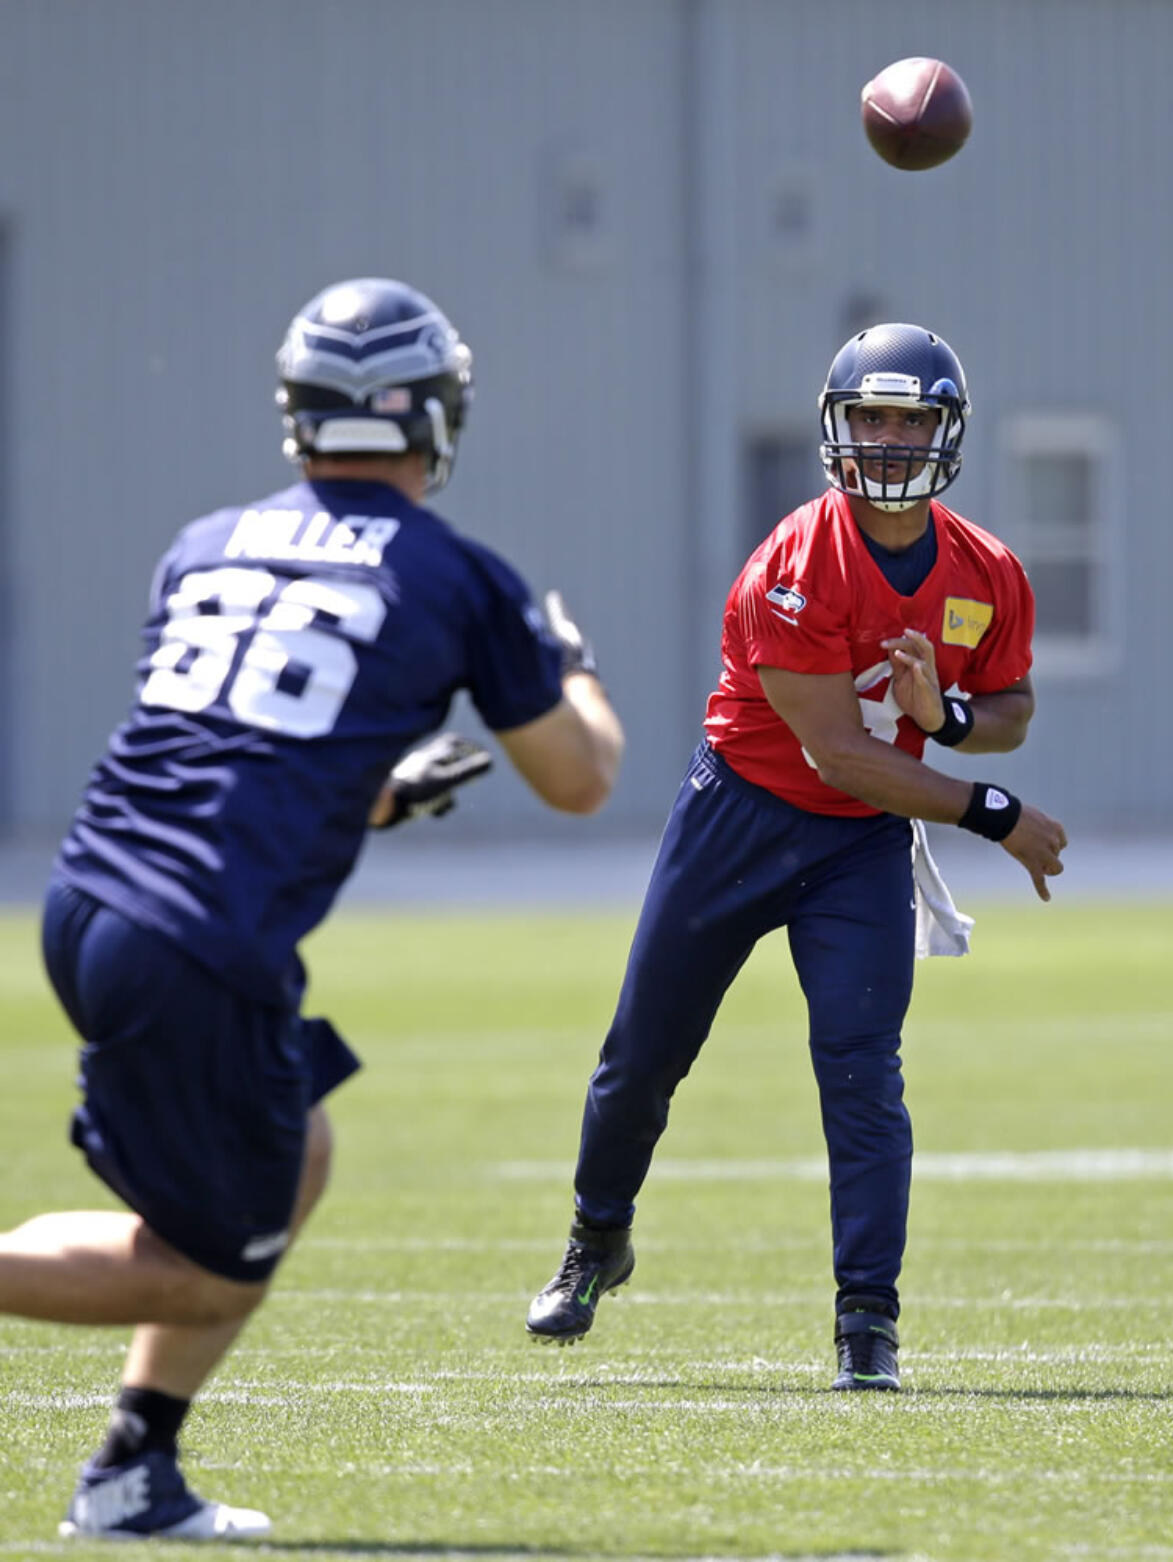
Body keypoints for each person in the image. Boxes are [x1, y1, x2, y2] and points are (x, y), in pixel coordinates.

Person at [4, 276, 624, 1540]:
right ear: (436, 413)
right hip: (192, 936)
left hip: (92, 896)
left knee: (298, 1152)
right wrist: (568, 662)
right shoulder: (457, 575)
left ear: (299, 411)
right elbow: (580, 778)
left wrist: (372, 796)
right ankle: (126, 1478)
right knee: (194, 1270)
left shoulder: (206, 540)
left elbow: (229, 752)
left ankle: (133, 1469)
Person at [526, 322, 1066, 1390]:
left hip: (857, 846)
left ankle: (866, 1321)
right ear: (837, 425)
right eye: (871, 415)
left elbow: (1009, 705)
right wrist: (992, 812)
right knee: (643, 1053)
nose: (890, 438)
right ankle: (595, 1239)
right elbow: (838, 753)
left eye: (911, 419)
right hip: (742, 812)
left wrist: (948, 712)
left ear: (945, 431)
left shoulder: (985, 569)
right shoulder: (795, 561)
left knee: (862, 1075)